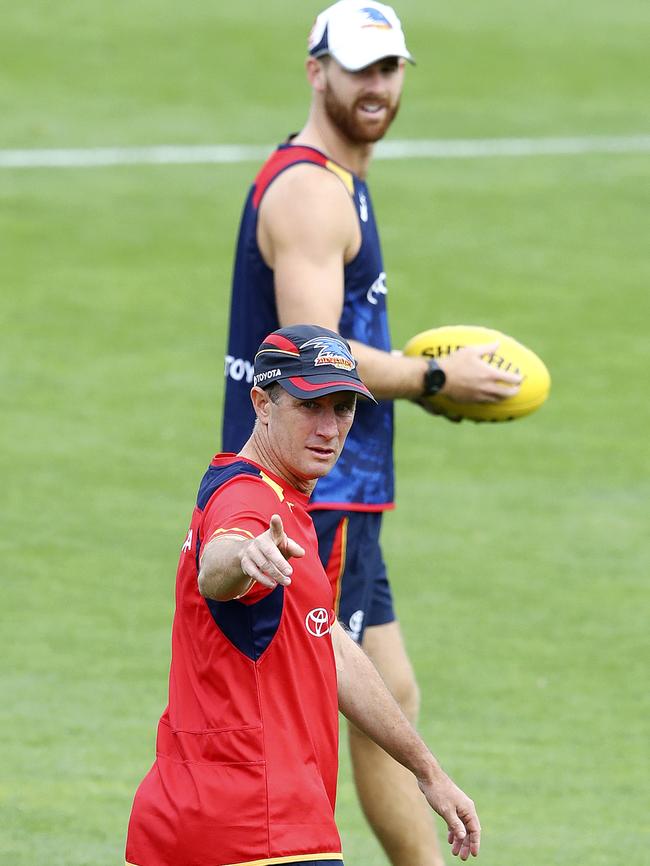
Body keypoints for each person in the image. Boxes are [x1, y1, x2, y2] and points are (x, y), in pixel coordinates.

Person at [221, 3, 521, 865]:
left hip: (346, 493)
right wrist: (434, 378)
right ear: (317, 73)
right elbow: (315, 351)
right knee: (311, 710)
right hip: (316, 495)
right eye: (360, 70)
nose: (379, 88)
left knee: (392, 693)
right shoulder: (313, 192)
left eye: (391, 70)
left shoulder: (336, 178)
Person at [125, 325, 481, 866]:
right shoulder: (248, 500)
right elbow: (221, 559)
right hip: (258, 828)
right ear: (261, 403)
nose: (329, 428)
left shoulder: (276, 500)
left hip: (187, 821)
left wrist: (427, 772)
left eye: (342, 409)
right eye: (310, 405)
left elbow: (331, 647)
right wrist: (243, 559)